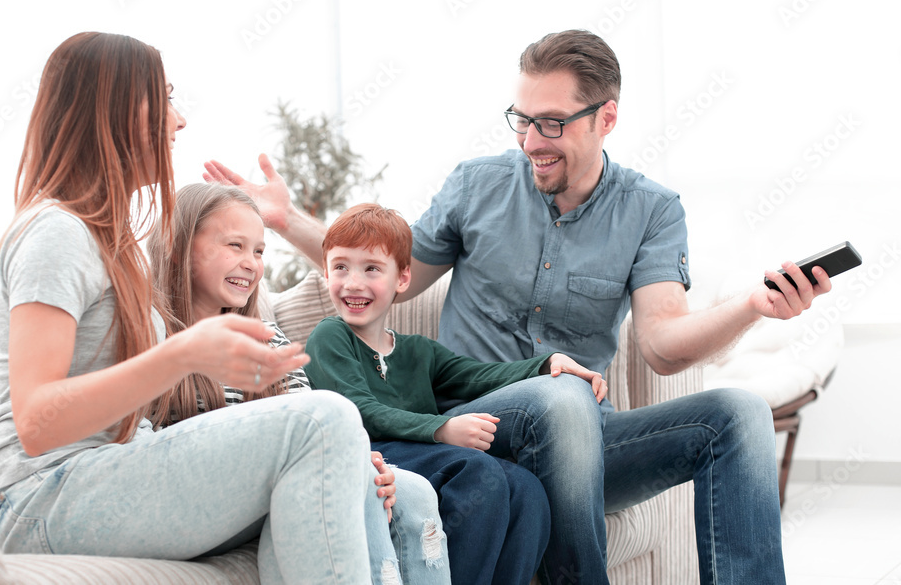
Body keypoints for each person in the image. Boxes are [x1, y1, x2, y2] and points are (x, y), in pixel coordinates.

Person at [205, 29, 835, 584]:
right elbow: (387, 272)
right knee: (559, 389)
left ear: (606, 117)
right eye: (522, 119)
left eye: (553, 123)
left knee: (740, 412)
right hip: (474, 429)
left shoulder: (652, 211)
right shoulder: (477, 185)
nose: (533, 140)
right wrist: (288, 222)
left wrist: (754, 305)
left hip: (586, 441)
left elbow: (664, 348)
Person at [0, 32, 374, 584]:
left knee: (386, 480)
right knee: (324, 418)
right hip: (43, 496)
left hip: (108, 473)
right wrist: (184, 353)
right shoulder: (56, 232)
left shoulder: (112, 242)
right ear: (113, 109)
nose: (180, 119)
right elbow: (36, 422)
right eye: (164, 98)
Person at [145, 183, 451, 584]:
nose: (251, 263)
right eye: (235, 246)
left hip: (280, 486)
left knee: (410, 491)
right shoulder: (153, 335)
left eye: (258, 251)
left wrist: (361, 462)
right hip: (208, 497)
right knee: (354, 487)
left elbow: (315, 427)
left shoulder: (267, 337)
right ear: (180, 245)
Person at [304, 203, 557, 585]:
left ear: (402, 278)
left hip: (421, 456)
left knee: (528, 489)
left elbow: (478, 377)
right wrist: (443, 428)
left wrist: (547, 363)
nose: (353, 282)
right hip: (369, 454)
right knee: (477, 470)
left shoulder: (418, 351)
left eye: (371, 268)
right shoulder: (330, 336)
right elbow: (360, 409)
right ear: (326, 272)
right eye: (341, 267)